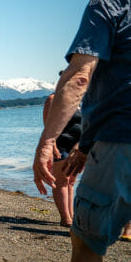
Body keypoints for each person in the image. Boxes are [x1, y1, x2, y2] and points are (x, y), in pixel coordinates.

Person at [33, 0, 131, 262]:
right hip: (104, 140)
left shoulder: (107, 1)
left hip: (120, 144)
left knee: (87, 246)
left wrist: (47, 141)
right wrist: (84, 144)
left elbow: (78, 78)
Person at [41, 92, 82, 227]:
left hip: (75, 146)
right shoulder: (52, 100)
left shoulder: (77, 100)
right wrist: (52, 146)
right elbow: (48, 126)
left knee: (70, 182)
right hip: (60, 144)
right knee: (61, 181)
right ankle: (65, 218)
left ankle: (71, 215)